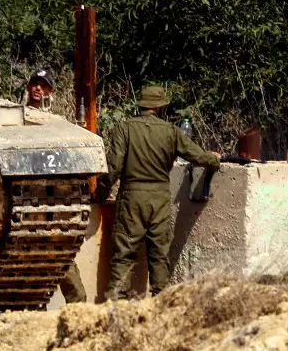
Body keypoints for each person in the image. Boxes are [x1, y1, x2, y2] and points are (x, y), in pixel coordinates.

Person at [102, 85, 221, 299]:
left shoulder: (124, 128)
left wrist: (100, 193)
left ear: (141, 105)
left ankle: (116, 306)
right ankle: (161, 305)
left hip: (131, 198)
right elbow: (198, 156)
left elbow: (114, 168)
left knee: (124, 254)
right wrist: (214, 160)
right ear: (159, 108)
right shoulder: (171, 131)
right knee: (159, 255)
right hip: (160, 200)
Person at [24, 68, 88, 304]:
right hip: (26, 206)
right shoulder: (14, 120)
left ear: (51, 91)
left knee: (64, 263)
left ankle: (78, 312)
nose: (37, 88)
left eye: (42, 85)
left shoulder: (60, 125)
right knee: (28, 271)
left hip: (56, 207)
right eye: (34, 83)